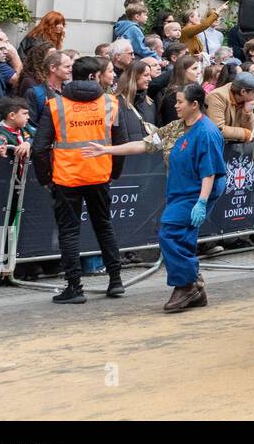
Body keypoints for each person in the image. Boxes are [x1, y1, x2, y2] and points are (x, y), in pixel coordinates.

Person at [84, 83, 226, 313]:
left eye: (180, 102)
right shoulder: (176, 128)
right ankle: (194, 284)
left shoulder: (207, 133)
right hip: (179, 188)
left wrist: (201, 202)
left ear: (195, 105)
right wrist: (107, 150)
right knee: (181, 236)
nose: (176, 105)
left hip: (198, 190)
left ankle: (186, 286)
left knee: (170, 232)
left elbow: (209, 172)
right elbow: (144, 144)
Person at [31, 55, 130, 304]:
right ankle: (115, 280)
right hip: (99, 173)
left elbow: (40, 148)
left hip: (67, 176)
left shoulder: (56, 105)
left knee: (69, 231)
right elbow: (120, 142)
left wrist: (45, 178)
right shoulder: (110, 103)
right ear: (93, 76)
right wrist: (113, 172)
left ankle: (74, 287)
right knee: (104, 225)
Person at [205, 71, 254, 142]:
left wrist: (247, 112)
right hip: (211, 144)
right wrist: (244, 133)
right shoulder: (217, 96)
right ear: (243, 92)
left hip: (231, 146)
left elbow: (249, 130)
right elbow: (218, 129)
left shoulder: (246, 100)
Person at [112, 59, 157, 141]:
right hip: (126, 152)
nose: (150, 79)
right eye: (146, 75)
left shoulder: (150, 103)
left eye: (150, 75)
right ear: (134, 76)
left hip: (150, 152)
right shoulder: (114, 103)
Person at [25, 49, 72, 126]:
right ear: (52, 68)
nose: (71, 70)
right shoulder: (34, 93)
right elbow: (31, 125)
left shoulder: (70, 91)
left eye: (71, 66)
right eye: (67, 67)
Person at [157, 55, 201, 127]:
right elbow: (173, 124)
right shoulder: (174, 95)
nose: (198, 72)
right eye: (194, 69)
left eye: (197, 68)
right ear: (183, 71)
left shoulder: (195, 89)